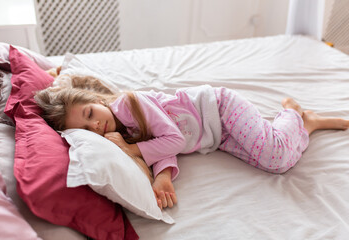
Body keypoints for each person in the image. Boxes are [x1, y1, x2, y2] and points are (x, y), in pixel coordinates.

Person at [35, 74, 349, 210]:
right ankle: (308, 124)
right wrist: (162, 179)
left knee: (277, 157)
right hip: (214, 136)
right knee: (273, 162)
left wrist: (132, 150)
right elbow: (163, 151)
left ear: (96, 100)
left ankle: (293, 113)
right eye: (88, 130)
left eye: (90, 112)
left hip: (220, 108)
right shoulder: (119, 134)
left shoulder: (131, 104)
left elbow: (170, 139)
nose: (95, 125)